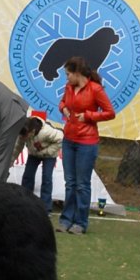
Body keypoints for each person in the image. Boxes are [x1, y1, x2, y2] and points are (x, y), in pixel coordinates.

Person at [57, 56, 116, 235]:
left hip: (87, 143)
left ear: (77, 73)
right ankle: (66, 219)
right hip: (69, 140)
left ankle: (81, 222)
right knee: (70, 183)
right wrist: (64, 108)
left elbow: (110, 113)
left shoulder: (95, 89)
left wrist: (89, 115)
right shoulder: (69, 87)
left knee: (82, 184)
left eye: (68, 74)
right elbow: (62, 102)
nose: (66, 78)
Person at [12, 116, 63, 214]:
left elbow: (60, 138)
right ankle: (25, 203)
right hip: (34, 153)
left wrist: (46, 152)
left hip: (49, 155)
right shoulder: (23, 131)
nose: (22, 138)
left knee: (46, 178)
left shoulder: (46, 132)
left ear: (32, 131)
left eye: (24, 136)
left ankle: (46, 208)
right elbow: (18, 147)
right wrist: (11, 161)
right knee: (27, 176)